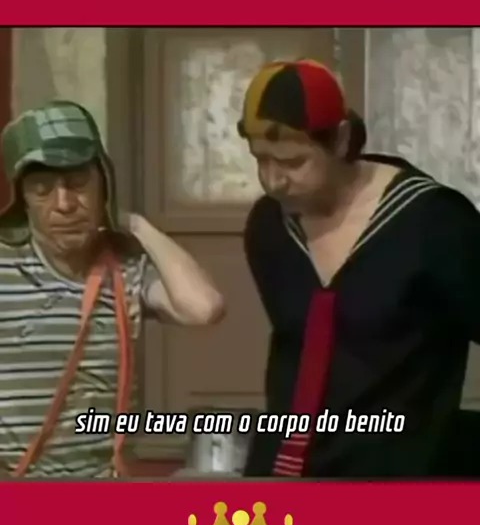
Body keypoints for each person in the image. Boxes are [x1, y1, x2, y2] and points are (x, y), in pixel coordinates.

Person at [238, 58, 480, 478]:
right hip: (287, 471)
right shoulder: (269, 225)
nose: (273, 180)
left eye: (293, 162)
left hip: (399, 476)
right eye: (261, 160)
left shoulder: (434, 222)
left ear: (341, 140)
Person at [0, 101, 225, 478]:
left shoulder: (125, 269)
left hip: (102, 489)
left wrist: (134, 223)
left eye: (78, 183)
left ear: (103, 184)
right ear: (22, 199)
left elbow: (203, 308)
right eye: (42, 189)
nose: (64, 204)